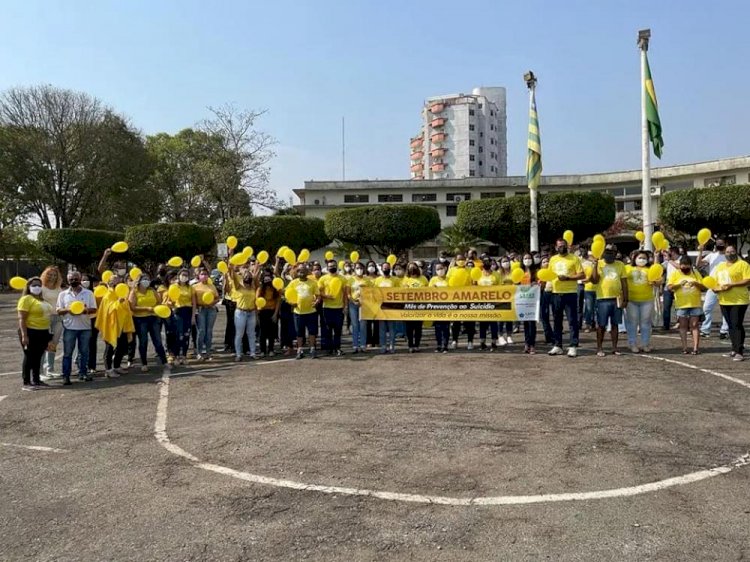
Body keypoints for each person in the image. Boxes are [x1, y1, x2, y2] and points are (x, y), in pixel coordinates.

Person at [56, 271, 97, 384]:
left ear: (80, 279)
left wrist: (84, 310)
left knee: (84, 352)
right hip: (70, 327)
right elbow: (59, 310)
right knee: (67, 353)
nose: (74, 281)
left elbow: (94, 309)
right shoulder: (63, 294)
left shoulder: (88, 293)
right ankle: (66, 376)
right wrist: (70, 310)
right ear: (68, 281)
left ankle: (83, 373)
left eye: (76, 279)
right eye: (71, 279)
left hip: (85, 327)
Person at [548, 238, 585, 357]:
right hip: (555, 293)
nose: (561, 248)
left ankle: (573, 345)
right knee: (557, 321)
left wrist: (568, 278)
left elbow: (582, 274)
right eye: (559, 246)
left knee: (572, 321)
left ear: (567, 246)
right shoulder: (553, 259)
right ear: (555, 247)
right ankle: (557, 345)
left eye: (563, 245)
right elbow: (548, 274)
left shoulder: (574, 258)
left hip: (570, 293)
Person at [712, 245, 750, 361]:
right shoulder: (720, 266)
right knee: (731, 325)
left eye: (732, 251)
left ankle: (739, 352)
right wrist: (715, 288)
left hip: (739, 300)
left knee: (736, 324)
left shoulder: (743, 264)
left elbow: (747, 279)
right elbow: (716, 281)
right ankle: (734, 349)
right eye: (727, 252)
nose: (730, 253)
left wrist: (732, 285)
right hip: (724, 300)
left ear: (736, 252)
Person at [590, 244, 628, 357]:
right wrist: (595, 266)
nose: (609, 254)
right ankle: (599, 348)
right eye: (606, 251)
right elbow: (594, 280)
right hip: (602, 298)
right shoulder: (599, 263)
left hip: (616, 298)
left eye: (612, 252)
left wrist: (626, 298)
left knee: (615, 324)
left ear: (616, 254)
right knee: (601, 325)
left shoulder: (620, 265)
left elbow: (624, 283)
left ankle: (615, 348)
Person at [17, 277, 54, 391]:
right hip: (30, 331)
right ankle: (26, 382)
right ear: (28, 287)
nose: (37, 287)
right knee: (29, 357)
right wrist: (24, 335)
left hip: (43, 332)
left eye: (39, 285)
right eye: (34, 285)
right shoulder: (26, 299)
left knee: (38, 357)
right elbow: (22, 318)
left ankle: (36, 380)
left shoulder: (42, 300)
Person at [128, 273, 169, 373]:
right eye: (144, 279)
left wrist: (157, 309)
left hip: (153, 318)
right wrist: (146, 308)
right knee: (143, 341)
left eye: (147, 279)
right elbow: (132, 307)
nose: (146, 281)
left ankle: (164, 361)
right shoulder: (134, 292)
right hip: (140, 320)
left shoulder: (152, 291)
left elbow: (159, 302)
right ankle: (144, 363)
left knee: (158, 340)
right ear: (139, 281)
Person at [96, 275, 135, 378]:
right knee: (109, 347)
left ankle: (117, 366)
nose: (116, 283)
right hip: (111, 326)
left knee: (122, 346)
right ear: (109, 283)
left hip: (122, 325)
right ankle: (108, 369)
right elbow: (108, 309)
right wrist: (118, 302)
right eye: (113, 281)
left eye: (118, 281)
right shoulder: (108, 294)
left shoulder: (121, 293)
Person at [667, 255, 706, 355]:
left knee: (694, 325)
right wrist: (679, 285)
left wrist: (696, 284)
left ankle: (696, 348)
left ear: (690, 266)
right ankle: (684, 347)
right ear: (680, 266)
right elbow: (669, 287)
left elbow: (703, 286)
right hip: (681, 304)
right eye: (682, 266)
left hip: (694, 303)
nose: (684, 268)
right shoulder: (675, 273)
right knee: (683, 326)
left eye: (687, 266)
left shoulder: (695, 273)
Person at [697, 238, 730, 339]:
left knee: (725, 309)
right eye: (718, 243)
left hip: (725, 286)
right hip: (712, 285)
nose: (719, 245)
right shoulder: (712, 255)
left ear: (726, 244)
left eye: (721, 243)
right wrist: (700, 251)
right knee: (706, 308)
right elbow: (698, 264)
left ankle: (724, 330)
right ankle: (705, 330)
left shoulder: (730, 256)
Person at [227, 262, 260, 361]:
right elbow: (232, 274)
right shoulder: (238, 286)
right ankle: (238, 354)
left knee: (251, 333)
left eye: (249, 273)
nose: (247, 275)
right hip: (240, 312)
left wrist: (257, 265)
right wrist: (231, 264)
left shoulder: (253, 286)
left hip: (252, 312)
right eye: (245, 273)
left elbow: (257, 274)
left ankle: (253, 353)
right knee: (239, 334)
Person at [625, 251, 656, 353]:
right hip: (631, 300)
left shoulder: (650, 269)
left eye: (644, 258)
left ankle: (645, 344)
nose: (642, 260)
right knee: (632, 322)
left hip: (646, 299)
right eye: (640, 257)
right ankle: (632, 343)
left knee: (645, 323)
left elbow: (659, 279)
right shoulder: (628, 268)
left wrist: (655, 281)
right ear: (634, 258)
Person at [164, 268, 197, 365]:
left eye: (186, 275)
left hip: (188, 311)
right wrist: (172, 304)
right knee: (178, 334)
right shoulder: (173, 287)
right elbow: (169, 301)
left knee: (186, 335)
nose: (184, 277)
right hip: (178, 311)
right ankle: (177, 355)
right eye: (183, 275)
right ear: (178, 276)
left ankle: (184, 355)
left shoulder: (190, 288)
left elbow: (194, 303)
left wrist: (193, 317)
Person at [288, 264, 320, 360]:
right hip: (298, 312)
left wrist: (317, 302)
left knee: (312, 332)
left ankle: (312, 349)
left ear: (307, 272)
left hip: (311, 311)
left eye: (303, 270)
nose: (301, 272)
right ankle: (300, 350)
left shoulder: (313, 283)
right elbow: (287, 295)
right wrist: (291, 303)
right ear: (297, 273)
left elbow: (318, 295)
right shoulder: (293, 283)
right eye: (299, 271)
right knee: (299, 333)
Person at [318, 260, 348, 356]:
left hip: (339, 308)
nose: (332, 267)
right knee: (328, 330)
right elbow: (319, 292)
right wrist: (326, 296)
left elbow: (345, 294)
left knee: (338, 330)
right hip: (327, 308)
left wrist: (345, 306)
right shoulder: (323, 279)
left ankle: (338, 348)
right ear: (327, 268)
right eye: (330, 266)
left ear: (337, 266)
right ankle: (329, 349)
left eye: (334, 266)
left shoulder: (342, 279)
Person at [192, 266, 219, 361]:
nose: (204, 276)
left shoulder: (212, 286)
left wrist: (212, 303)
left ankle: (208, 352)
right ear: (198, 276)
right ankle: (199, 352)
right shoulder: (195, 287)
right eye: (202, 274)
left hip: (211, 310)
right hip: (200, 310)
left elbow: (217, 298)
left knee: (209, 331)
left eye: (206, 274)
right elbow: (194, 301)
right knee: (201, 331)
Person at [40, 266, 62, 379]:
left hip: (58, 318)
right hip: (45, 318)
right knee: (44, 344)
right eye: (50, 274)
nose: (52, 277)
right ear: (45, 275)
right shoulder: (41, 288)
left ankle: (50, 369)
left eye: (55, 275)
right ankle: (40, 372)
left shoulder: (59, 288)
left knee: (53, 344)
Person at [401, 263, 427, 352]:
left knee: (418, 328)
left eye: (414, 267)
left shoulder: (423, 279)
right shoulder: (405, 279)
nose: (412, 269)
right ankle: (410, 345)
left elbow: (429, 291)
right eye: (410, 268)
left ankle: (417, 345)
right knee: (409, 328)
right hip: (409, 307)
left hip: (420, 307)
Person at [374, 261, 399, 353]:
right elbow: (374, 293)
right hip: (380, 307)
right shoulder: (377, 280)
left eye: (387, 268)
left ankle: (392, 345)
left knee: (392, 327)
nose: (386, 269)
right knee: (382, 328)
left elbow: (399, 292)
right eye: (384, 268)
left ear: (390, 269)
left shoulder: (395, 280)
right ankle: (383, 346)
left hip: (391, 306)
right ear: (381, 269)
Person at [347, 262, 371, 353]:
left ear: (364, 269)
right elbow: (348, 293)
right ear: (354, 269)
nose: (359, 269)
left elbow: (371, 292)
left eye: (361, 268)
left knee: (363, 325)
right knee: (355, 325)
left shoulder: (367, 280)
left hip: (364, 305)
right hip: (353, 304)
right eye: (357, 268)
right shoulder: (350, 280)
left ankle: (363, 345)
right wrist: (353, 301)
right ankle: (355, 345)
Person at [476, 259, 500, 351]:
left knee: (493, 323)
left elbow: (501, 287)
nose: (486, 264)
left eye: (488, 263)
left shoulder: (496, 274)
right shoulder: (478, 274)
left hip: (493, 302)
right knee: (482, 323)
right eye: (484, 263)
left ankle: (494, 343)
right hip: (481, 302)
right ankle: (482, 342)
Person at [257, 269, 281, 357]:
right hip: (262, 312)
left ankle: (271, 349)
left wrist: (275, 314)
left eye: (269, 278)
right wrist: (257, 314)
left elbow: (278, 301)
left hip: (272, 312)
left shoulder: (275, 289)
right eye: (265, 278)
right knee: (262, 332)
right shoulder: (260, 289)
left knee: (272, 332)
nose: (267, 280)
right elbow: (257, 301)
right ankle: (262, 350)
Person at [428, 263, 450, 353]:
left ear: (445, 268)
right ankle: (438, 345)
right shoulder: (433, 280)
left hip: (447, 307)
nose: (440, 270)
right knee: (437, 327)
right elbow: (428, 292)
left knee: (446, 327)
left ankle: (445, 345)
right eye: (437, 269)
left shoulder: (449, 279)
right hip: (436, 307)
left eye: (441, 268)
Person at [520, 253, 538, 354]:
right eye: (525, 258)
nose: (527, 260)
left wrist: (536, 284)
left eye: (529, 258)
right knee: (525, 323)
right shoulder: (520, 271)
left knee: (532, 324)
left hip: (533, 301)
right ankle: (526, 343)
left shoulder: (535, 271)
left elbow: (539, 282)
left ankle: (532, 345)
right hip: (522, 301)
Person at [496, 257, 514, 346]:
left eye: (507, 261)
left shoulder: (513, 272)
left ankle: (509, 335)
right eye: (504, 261)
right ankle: (500, 336)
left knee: (509, 318)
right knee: (501, 318)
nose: (506, 263)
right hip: (501, 298)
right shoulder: (499, 273)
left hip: (511, 297)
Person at [538, 255, 554, 344]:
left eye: (547, 261)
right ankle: (549, 337)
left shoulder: (554, 271)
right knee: (544, 316)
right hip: (544, 294)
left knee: (556, 316)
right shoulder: (539, 273)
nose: (546, 263)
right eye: (544, 262)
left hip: (554, 294)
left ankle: (556, 336)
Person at [581, 251, 597, 333]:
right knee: (589, 308)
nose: (592, 257)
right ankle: (588, 325)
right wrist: (586, 280)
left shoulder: (599, 263)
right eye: (590, 255)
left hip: (599, 289)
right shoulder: (584, 264)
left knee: (597, 309)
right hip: (588, 289)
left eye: (593, 255)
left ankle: (596, 325)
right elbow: (581, 276)